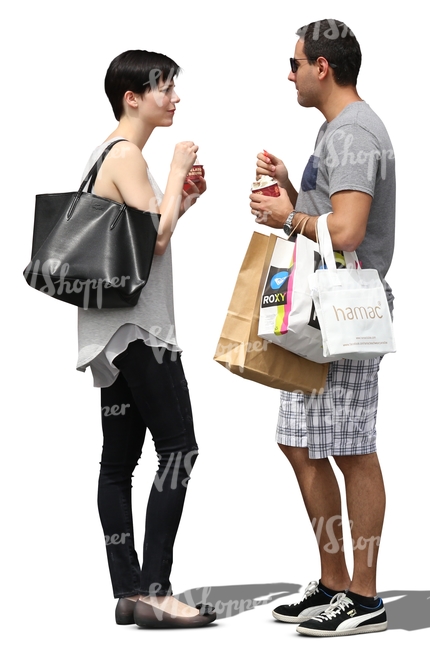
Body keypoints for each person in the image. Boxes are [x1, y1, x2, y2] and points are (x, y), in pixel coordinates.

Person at [249, 19, 395, 637]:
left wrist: (288, 217)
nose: (290, 74)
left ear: (322, 68)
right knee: (301, 441)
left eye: (295, 63)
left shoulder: (355, 131)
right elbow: (329, 214)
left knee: (352, 447)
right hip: (321, 307)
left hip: (347, 307)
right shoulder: (335, 131)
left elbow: (349, 232)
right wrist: (292, 193)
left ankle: (364, 596)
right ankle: (335, 582)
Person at [76, 50, 215, 629]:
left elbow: (147, 231)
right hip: (141, 332)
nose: (175, 96)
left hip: (111, 338)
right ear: (133, 96)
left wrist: (182, 200)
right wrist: (178, 167)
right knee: (178, 448)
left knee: (118, 463)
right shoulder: (129, 154)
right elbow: (154, 245)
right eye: (165, 87)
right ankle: (156, 590)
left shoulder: (106, 155)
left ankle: (129, 591)